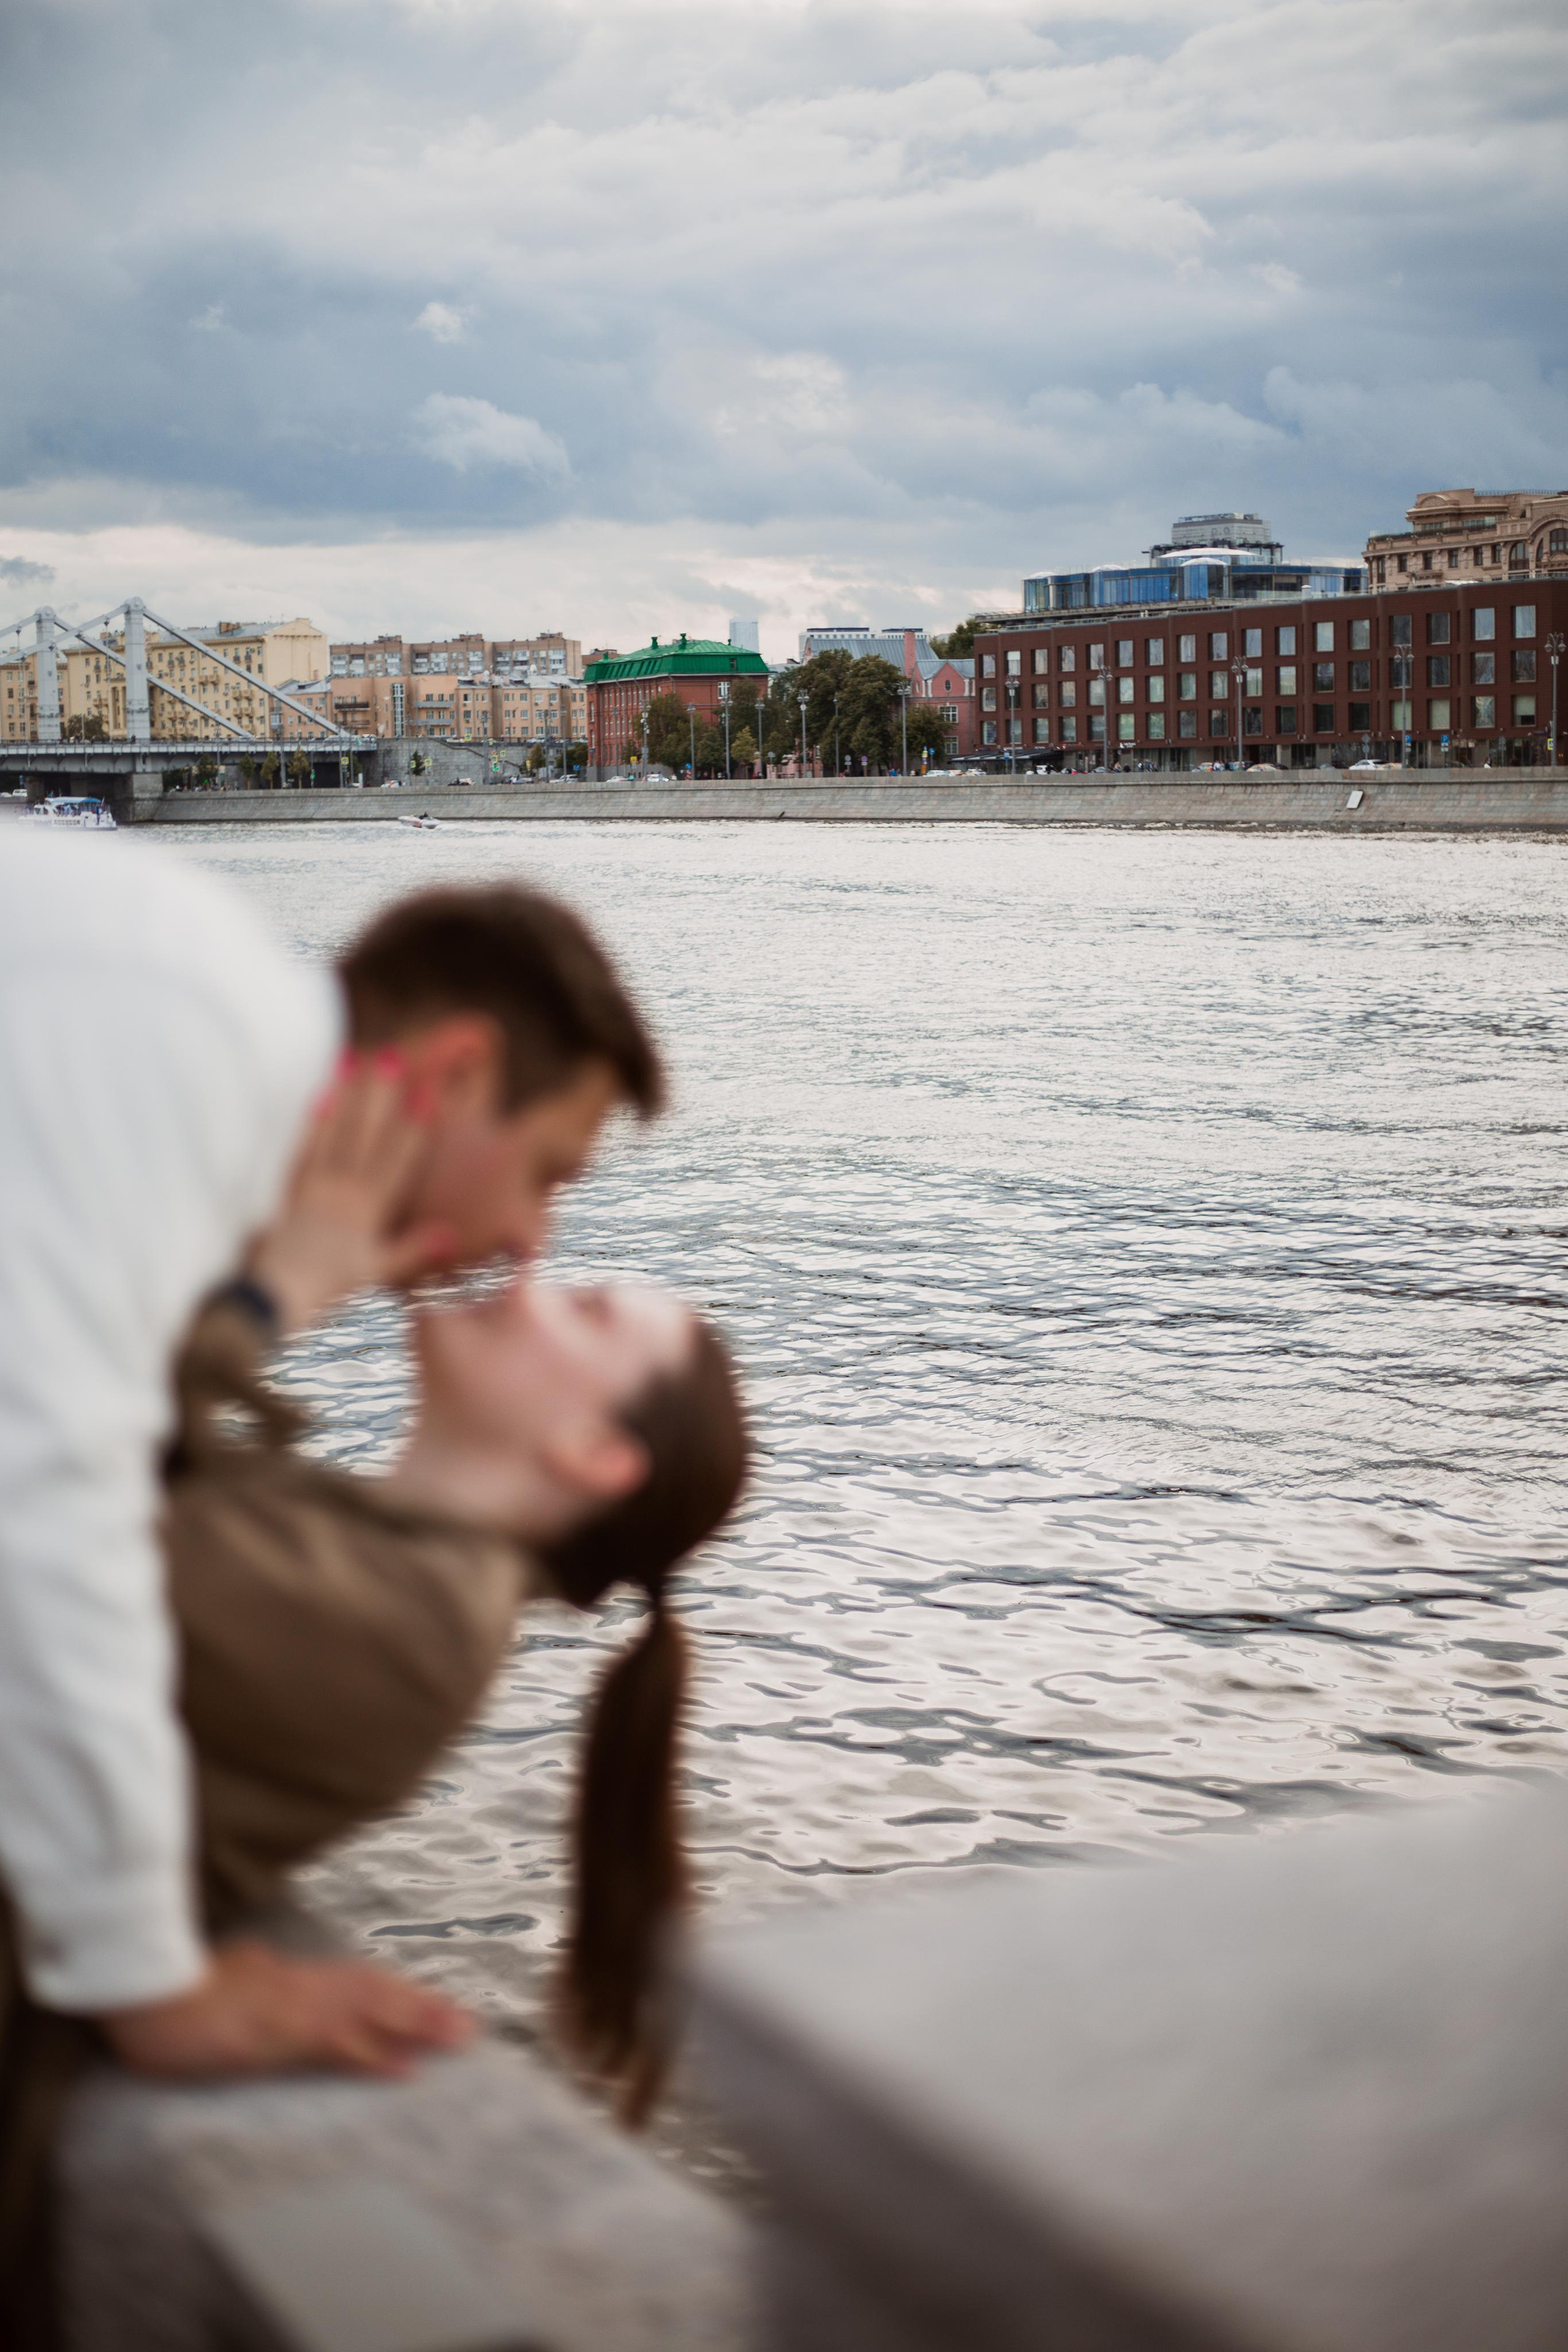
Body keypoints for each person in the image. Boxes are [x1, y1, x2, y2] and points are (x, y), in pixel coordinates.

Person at [0, 843, 662, 2111]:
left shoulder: (179, 991)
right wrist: (150, 1981)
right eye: (548, 1172)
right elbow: (45, 1507)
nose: (532, 1243)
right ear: (457, 1072)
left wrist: (267, 1297)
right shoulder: (185, 1052)